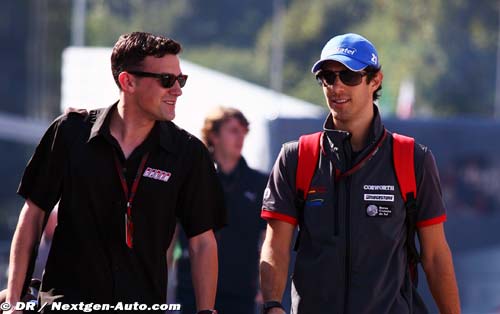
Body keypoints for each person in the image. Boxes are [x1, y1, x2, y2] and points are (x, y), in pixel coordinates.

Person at [4, 32, 226, 314]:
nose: (177, 90)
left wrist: (206, 310)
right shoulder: (70, 133)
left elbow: (203, 242)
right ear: (128, 81)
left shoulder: (189, 153)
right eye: (167, 80)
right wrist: (14, 303)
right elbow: (33, 218)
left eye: (180, 80)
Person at [259, 33, 461, 314]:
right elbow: (276, 246)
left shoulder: (412, 158)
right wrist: (271, 306)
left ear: (374, 80)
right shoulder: (296, 157)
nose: (336, 86)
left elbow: (436, 256)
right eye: (328, 77)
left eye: (349, 76)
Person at [174, 107, 267, 314]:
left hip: (241, 293)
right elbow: (170, 237)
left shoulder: (260, 183)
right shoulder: (191, 178)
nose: (241, 137)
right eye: (233, 130)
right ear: (213, 136)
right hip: (191, 292)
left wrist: (265, 288)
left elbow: (266, 240)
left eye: (244, 131)